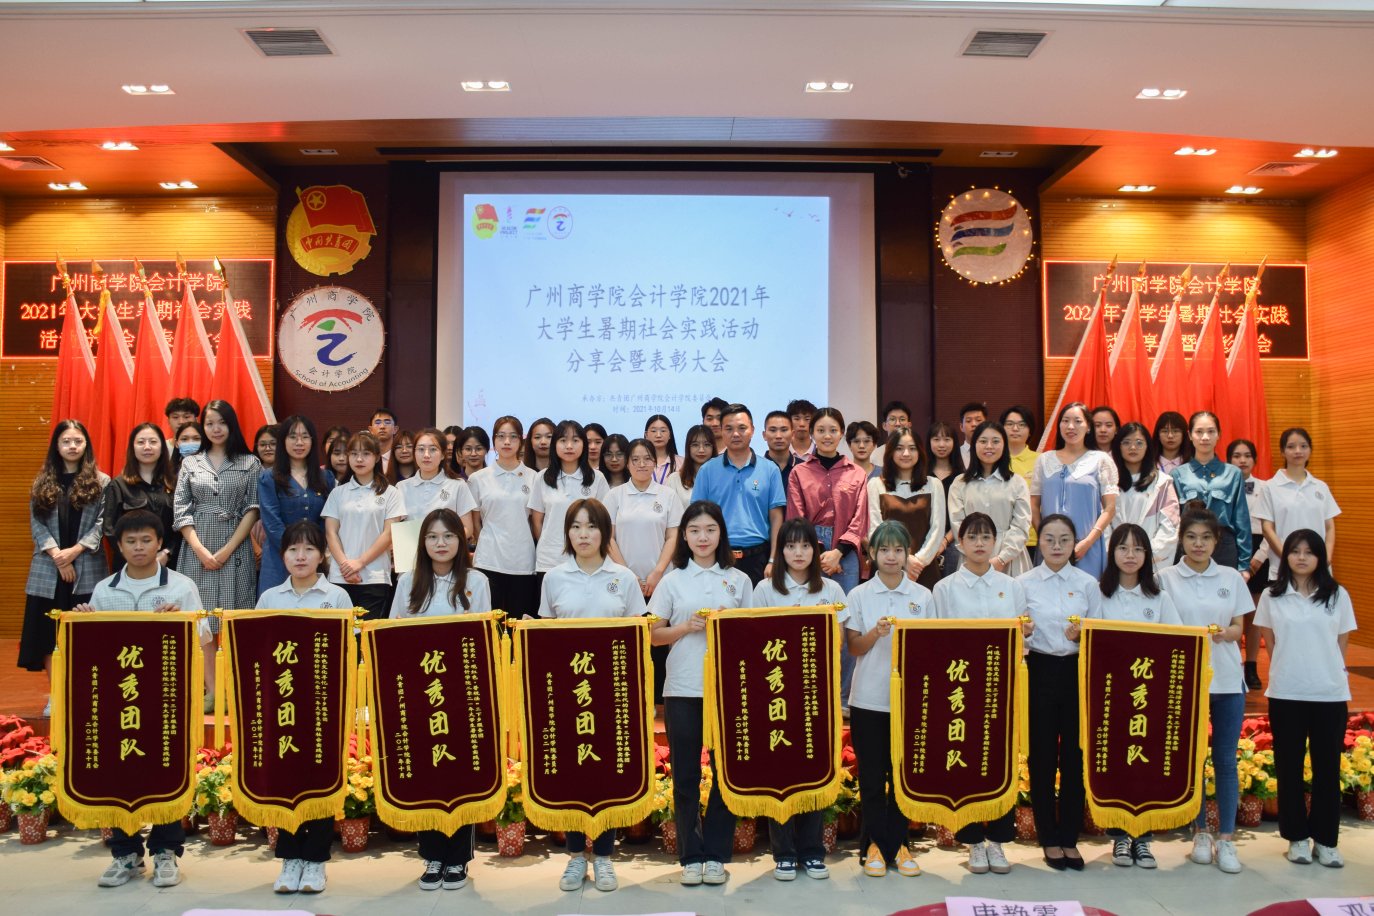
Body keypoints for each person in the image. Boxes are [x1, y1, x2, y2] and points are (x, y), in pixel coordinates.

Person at [78, 510, 202, 890]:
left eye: (146, 540)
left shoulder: (181, 586)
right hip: (118, 703)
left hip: (165, 701)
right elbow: (93, 652)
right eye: (130, 541)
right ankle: (125, 853)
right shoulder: (104, 591)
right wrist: (85, 622)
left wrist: (180, 620)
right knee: (119, 775)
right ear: (118, 546)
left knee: (165, 772)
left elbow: (201, 638)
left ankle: (166, 851)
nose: (139, 547)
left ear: (160, 543)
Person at [540, 498, 647, 893]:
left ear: (605, 533)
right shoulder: (554, 577)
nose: (583, 535)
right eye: (575, 527)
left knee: (606, 772)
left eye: (591, 527)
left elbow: (639, 635)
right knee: (572, 771)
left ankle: (603, 856)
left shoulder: (624, 577)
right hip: (567, 694)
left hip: (611, 693)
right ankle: (574, 856)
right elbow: (545, 637)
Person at [386, 508, 491, 891]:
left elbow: (483, 635)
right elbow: (393, 633)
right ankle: (431, 855)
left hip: (461, 694)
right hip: (420, 693)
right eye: (432, 536)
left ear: (461, 541)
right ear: (422, 542)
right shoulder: (407, 582)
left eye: (448, 536)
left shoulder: (476, 582)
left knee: (461, 774)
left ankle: (458, 858)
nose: (441, 543)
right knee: (426, 773)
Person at [650, 500, 753, 888]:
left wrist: (731, 626)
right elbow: (653, 635)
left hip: (727, 690)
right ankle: (690, 855)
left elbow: (754, 636)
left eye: (710, 529)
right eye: (694, 531)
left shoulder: (739, 580)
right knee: (686, 775)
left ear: (721, 534)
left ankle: (716, 854)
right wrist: (686, 627)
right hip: (682, 686)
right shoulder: (673, 580)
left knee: (728, 773)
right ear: (685, 537)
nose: (703, 537)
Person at [255, 520, 351, 895]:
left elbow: (348, 649)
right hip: (283, 706)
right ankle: (290, 857)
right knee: (286, 780)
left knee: (320, 778)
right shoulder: (270, 599)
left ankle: (315, 860)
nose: (300, 556)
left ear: (323, 555)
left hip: (323, 705)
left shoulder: (337, 597)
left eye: (309, 549)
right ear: (282, 555)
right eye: (293, 549)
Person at [932, 512, 1031, 876]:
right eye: (972, 537)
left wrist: (1026, 632)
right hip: (960, 687)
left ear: (995, 542)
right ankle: (973, 840)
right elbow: (936, 641)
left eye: (985, 537)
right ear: (960, 543)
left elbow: (1023, 636)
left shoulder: (1011, 586)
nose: (979, 543)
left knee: (1000, 761)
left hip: (1000, 685)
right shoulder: (944, 589)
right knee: (966, 761)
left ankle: (999, 840)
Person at [751, 518, 848, 881]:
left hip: (816, 693)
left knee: (814, 770)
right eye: (790, 546)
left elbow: (838, 641)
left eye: (805, 545)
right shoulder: (765, 590)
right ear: (781, 550)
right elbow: (755, 640)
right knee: (780, 770)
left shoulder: (832, 590)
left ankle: (812, 851)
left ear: (815, 550)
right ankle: (784, 853)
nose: (798, 552)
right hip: (776, 693)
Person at [1254, 529, 1356, 869]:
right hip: (1286, 692)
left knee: (1327, 769)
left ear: (1320, 557)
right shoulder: (1272, 596)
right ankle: (1296, 838)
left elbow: (1340, 642)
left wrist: (1325, 670)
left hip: (1329, 693)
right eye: (1295, 551)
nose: (1301, 557)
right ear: (1285, 556)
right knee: (1289, 767)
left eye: (1309, 552)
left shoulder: (1337, 595)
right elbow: (1270, 641)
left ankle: (1326, 841)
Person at [1158, 503, 1251, 875]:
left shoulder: (1231, 578)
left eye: (1206, 538)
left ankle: (1226, 838)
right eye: (1192, 537)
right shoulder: (1165, 578)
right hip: (1185, 681)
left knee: (1225, 760)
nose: (1198, 544)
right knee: (1191, 759)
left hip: (1226, 680)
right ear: (1181, 540)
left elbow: (1239, 627)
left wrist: (1226, 633)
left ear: (1216, 541)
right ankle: (1199, 832)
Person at [1016, 514, 1102, 871]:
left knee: (1074, 757)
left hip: (1076, 672)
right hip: (1038, 670)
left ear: (1074, 544)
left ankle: (1069, 837)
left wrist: (1084, 635)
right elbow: (1012, 632)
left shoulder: (1088, 584)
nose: (1056, 546)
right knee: (1042, 756)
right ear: (1039, 541)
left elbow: (1101, 632)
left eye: (1064, 539)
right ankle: (1048, 838)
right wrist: (1023, 632)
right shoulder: (1023, 584)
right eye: (1049, 539)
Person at [846, 521, 930, 879]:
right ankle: (873, 847)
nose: (892, 556)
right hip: (868, 699)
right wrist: (875, 634)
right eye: (884, 550)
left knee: (901, 778)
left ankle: (899, 845)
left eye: (898, 550)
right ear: (872, 554)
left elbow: (932, 650)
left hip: (908, 702)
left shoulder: (922, 597)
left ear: (907, 554)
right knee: (871, 778)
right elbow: (853, 647)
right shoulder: (859, 595)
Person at [1097, 523, 1181, 870]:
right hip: (1111, 698)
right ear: (1112, 553)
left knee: (1144, 765)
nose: (1130, 555)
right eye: (1122, 548)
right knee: (1116, 766)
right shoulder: (1099, 595)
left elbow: (1178, 642)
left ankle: (1143, 839)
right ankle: (1119, 836)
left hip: (1148, 698)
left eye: (1137, 549)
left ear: (1147, 555)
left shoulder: (1159, 598)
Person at [174, 400, 261, 710]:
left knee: (233, 618)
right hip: (196, 548)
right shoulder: (190, 463)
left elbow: (252, 508)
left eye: (221, 422)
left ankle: (234, 687)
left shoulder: (249, 463)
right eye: (209, 423)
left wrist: (225, 551)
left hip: (235, 548)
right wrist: (200, 550)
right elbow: (181, 510)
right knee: (204, 621)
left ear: (231, 424)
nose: (215, 428)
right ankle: (212, 690)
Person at [19, 420, 109, 715]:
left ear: (86, 445)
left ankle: (82, 694)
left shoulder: (102, 481)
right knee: (49, 636)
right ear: (56, 446)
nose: (72, 446)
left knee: (84, 637)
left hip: (87, 567)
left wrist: (74, 551)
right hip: (48, 569)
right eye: (66, 441)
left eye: (78, 441)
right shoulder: (42, 481)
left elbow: (102, 524)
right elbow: (37, 524)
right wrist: (59, 556)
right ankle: (56, 695)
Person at [606, 438, 683, 702]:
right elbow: (608, 537)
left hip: (660, 582)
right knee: (626, 642)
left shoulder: (667, 495)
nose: (641, 464)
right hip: (623, 581)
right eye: (635, 459)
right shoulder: (615, 495)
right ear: (627, 463)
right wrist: (627, 574)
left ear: (655, 462)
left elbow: (673, 536)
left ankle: (658, 702)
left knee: (656, 643)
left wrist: (657, 572)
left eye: (647, 458)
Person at [691, 404, 785, 584]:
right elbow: (697, 518)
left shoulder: (770, 470)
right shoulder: (707, 470)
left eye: (742, 428)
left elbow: (776, 519)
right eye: (729, 429)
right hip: (717, 555)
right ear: (721, 431)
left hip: (759, 558)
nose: (735, 434)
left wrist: (773, 560)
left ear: (752, 430)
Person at [321, 431, 405, 619]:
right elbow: (331, 533)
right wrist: (345, 565)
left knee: (366, 633)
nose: (359, 459)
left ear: (377, 457)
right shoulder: (338, 492)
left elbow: (389, 534)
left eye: (366, 453)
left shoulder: (391, 493)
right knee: (342, 633)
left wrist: (360, 562)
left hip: (375, 576)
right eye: (354, 454)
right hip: (340, 576)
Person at [1030, 402, 1118, 579]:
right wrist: (1045, 539)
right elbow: (1033, 505)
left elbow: (1110, 508)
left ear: (1088, 427)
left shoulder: (1100, 460)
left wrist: (1088, 542)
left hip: (1086, 548)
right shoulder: (1044, 460)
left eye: (1078, 421)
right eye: (1065, 421)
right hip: (1049, 548)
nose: (1071, 426)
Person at [467, 417, 539, 619]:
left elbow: (535, 522)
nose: (507, 442)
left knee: (519, 622)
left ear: (521, 442)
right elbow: (475, 522)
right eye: (501, 436)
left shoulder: (534, 477)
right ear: (494, 440)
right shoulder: (478, 479)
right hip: (488, 560)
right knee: (490, 623)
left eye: (513, 437)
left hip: (523, 561)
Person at [257, 415, 335, 595]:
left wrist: (313, 552)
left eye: (305, 436)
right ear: (283, 441)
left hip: (314, 559)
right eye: (293, 437)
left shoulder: (326, 477)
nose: (299, 442)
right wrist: (293, 552)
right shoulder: (269, 477)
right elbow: (271, 522)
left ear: (312, 441)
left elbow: (327, 520)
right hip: (278, 558)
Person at [1170, 411, 1251, 573]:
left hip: (1224, 545)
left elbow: (1241, 520)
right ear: (1190, 435)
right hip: (1189, 545)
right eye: (1199, 432)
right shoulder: (1178, 474)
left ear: (1218, 434)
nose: (1205, 437)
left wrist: (1244, 565)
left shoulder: (1233, 473)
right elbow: (1173, 520)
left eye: (1211, 431)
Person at [948, 420, 1032, 577]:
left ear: (1004, 445)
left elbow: (1021, 526)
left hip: (1010, 559)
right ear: (974, 445)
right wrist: (977, 556)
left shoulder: (1017, 483)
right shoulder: (960, 484)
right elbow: (958, 525)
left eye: (995, 441)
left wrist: (1002, 559)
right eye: (983, 441)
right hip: (971, 559)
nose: (989, 446)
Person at [1255, 428, 1339, 584]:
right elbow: (1267, 529)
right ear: (1282, 451)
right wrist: (1289, 558)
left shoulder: (1321, 487)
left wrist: (1326, 558)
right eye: (1291, 446)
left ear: (1310, 450)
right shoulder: (1270, 487)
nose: (1298, 451)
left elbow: (1329, 527)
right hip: (1283, 568)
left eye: (1303, 446)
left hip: (1318, 569)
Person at [529, 420, 610, 579]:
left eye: (575, 440)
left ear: (583, 444)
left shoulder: (597, 478)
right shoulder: (542, 477)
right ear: (555, 444)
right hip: (549, 560)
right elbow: (537, 521)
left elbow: (604, 521)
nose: (569, 446)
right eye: (563, 440)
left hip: (587, 560)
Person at [867, 429, 944, 590]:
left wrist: (918, 562)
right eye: (899, 448)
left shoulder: (934, 484)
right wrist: (903, 560)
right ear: (890, 452)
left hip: (923, 568)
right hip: (887, 564)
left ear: (920, 452)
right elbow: (874, 529)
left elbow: (937, 529)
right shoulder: (875, 484)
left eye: (912, 448)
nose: (906, 453)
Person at [103, 422, 178, 572]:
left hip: (168, 564)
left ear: (162, 447)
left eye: (153, 442)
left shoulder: (175, 483)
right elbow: (109, 528)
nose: (147, 447)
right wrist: (134, 555)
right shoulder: (118, 485)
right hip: (130, 565)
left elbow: (181, 525)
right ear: (132, 447)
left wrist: (167, 552)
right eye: (141, 442)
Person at [1228, 438, 1271, 690]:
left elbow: (1272, 527)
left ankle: (1251, 665)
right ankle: (1234, 665)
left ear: (1254, 460)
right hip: (1231, 548)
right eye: (1236, 456)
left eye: (1247, 455)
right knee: (1232, 611)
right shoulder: (1223, 485)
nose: (1242, 460)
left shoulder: (1266, 488)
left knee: (1254, 614)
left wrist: (1259, 558)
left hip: (1258, 549)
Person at [1108, 421, 1180, 567]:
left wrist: (1144, 555)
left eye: (1139, 443)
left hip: (1152, 561)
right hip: (1115, 560)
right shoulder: (1108, 482)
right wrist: (1116, 553)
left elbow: (1170, 527)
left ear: (1148, 446)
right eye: (1126, 442)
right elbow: (1104, 526)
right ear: (1118, 447)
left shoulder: (1162, 483)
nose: (1133, 447)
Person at [395, 428, 478, 540]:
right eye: (421, 449)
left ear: (443, 454)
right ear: (414, 453)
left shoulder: (458, 485)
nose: (426, 455)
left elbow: (467, 528)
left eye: (433, 449)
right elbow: (395, 528)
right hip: (412, 549)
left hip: (445, 548)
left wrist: (440, 542)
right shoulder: (401, 487)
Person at [928, 420, 966, 578]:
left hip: (954, 539)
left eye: (947, 439)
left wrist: (944, 541)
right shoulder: (921, 474)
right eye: (936, 439)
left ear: (954, 442)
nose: (941, 444)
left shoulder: (962, 477)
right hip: (925, 540)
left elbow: (963, 514)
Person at [1000, 405, 1039, 558]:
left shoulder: (1041, 460)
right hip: (1001, 540)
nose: (1015, 429)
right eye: (1009, 424)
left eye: (1022, 424)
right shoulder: (993, 460)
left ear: (1030, 430)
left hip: (1033, 539)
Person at [665, 423, 716, 510]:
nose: (701, 450)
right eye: (695, 445)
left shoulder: (723, 477)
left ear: (713, 447)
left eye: (707, 444)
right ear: (688, 448)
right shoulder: (674, 479)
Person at [762, 410, 800, 486]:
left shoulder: (803, 468)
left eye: (784, 430)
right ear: (764, 435)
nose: (778, 436)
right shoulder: (755, 468)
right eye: (773, 430)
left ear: (792, 435)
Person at [644, 414, 682, 484]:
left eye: (663, 431)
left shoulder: (682, 463)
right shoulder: (640, 463)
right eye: (653, 431)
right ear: (646, 435)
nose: (658, 435)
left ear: (670, 434)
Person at [957, 401, 987, 467]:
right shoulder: (955, 454)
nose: (974, 424)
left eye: (978, 420)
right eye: (968, 421)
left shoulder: (993, 451)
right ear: (961, 427)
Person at [369, 408, 398, 474]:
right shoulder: (366, 457)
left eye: (387, 422)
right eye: (377, 422)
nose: (382, 426)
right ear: (371, 430)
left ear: (395, 429)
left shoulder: (400, 457)